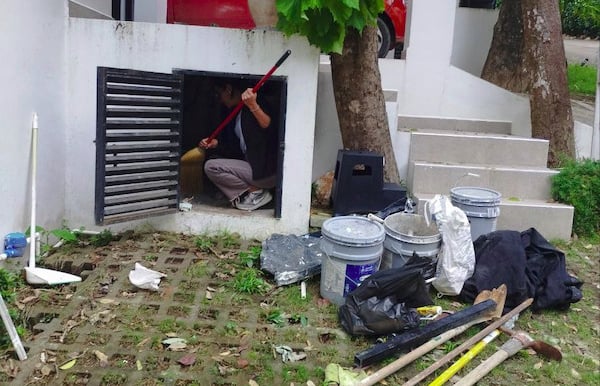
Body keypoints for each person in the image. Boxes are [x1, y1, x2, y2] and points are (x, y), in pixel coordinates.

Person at [199, 79, 278, 211]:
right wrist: (216, 143)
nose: (220, 100)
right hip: (252, 167)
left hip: (266, 171)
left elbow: (268, 126)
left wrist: (253, 105)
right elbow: (238, 149)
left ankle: (256, 192)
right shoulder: (237, 115)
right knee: (213, 161)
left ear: (228, 89)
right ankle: (254, 192)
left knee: (211, 167)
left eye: (219, 95)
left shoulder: (257, 103)